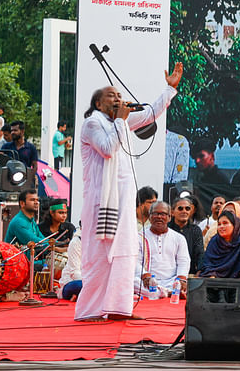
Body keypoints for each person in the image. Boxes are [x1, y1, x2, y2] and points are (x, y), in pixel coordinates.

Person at [74, 62, 182, 322]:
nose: (119, 99)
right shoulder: (93, 124)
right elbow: (108, 148)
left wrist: (168, 90)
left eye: (120, 96)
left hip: (122, 201)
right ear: (98, 104)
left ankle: (119, 308)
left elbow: (149, 115)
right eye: (112, 96)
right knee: (101, 256)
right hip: (102, 203)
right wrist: (122, 122)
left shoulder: (119, 123)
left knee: (125, 254)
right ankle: (90, 310)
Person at [135, 201, 190, 298]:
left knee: (185, 283)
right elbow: (135, 261)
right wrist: (145, 275)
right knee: (131, 282)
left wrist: (181, 279)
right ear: (150, 216)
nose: (159, 217)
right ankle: (167, 293)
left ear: (169, 217)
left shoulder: (179, 238)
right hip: (148, 282)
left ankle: (161, 293)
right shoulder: (140, 236)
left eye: (163, 214)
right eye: (155, 213)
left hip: (171, 281)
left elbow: (184, 261)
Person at [198, 210, 240, 279]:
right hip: (214, 280)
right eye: (219, 224)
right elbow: (207, 264)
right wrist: (212, 278)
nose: (221, 226)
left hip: (237, 281)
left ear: (235, 225)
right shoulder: (214, 241)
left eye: (225, 223)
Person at [168, 197, 204, 275]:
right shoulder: (166, 228)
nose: (184, 211)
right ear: (172, 212)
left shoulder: (195, 230)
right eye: (180, 208)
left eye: (187, 208)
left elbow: (199, 253)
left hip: (189, 274)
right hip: (168, 274)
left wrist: (200, 271)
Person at [59, 230, 82, 300]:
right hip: (72, 281)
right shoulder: (76, 242)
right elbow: (74, 273)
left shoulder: (97, 242)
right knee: (81, 285)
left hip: (91, 281)